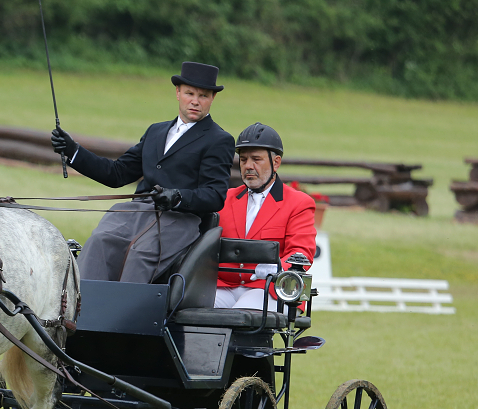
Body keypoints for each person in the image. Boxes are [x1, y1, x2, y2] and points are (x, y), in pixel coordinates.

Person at [50, 62, 235, 283]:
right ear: (178, 93)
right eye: (189, 93)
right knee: (100, 240)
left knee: (140, 252)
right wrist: (74, 151)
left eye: (203, 95)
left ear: (212, 98)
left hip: (180, 219)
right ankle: (82, 308)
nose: (195, 101)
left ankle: (123, 312)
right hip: (137, 211)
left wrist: (178, 196)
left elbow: (214, 195)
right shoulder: (156, 131)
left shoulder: (219, 140)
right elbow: (117, 174)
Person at [216, 122, 317, 310]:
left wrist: (278, 269)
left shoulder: (299, 203)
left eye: (256, 159)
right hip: (225, 285)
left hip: (270, 288)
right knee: (193, 311)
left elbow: (301, 253)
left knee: (241, 314)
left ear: (276, 162)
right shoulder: (225, 198)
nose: (248, 166)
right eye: (244, 159)